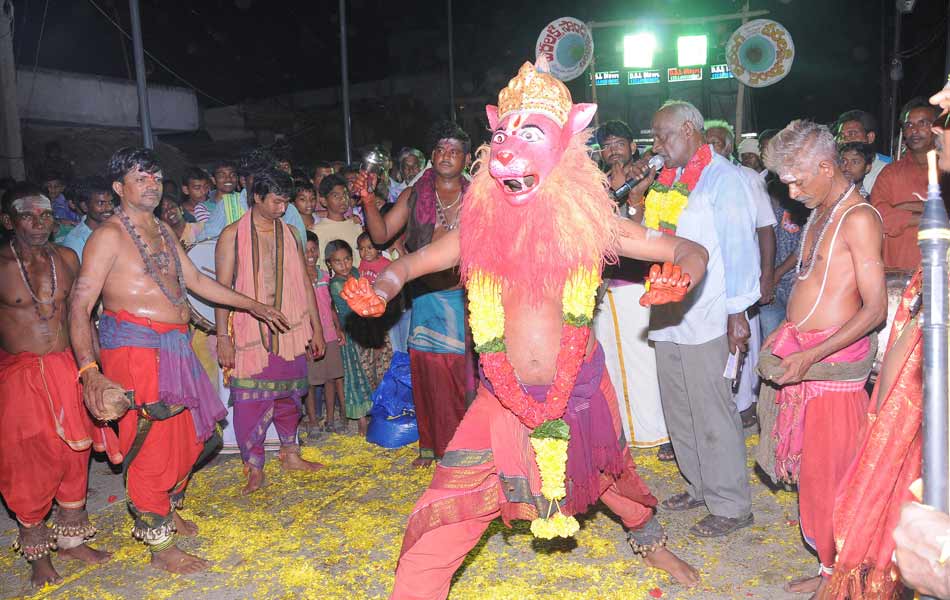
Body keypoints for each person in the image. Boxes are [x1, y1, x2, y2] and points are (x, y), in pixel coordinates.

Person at [344, 59, 707, 598]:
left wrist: (682, 274)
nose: (508, 152)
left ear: (565, 148)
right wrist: (381, 286)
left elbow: (685, 248)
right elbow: (410, 264)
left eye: (530, 135)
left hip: (578, 388)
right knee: (444, 507)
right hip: (500, 398)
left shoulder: (591, 225)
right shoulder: (479, 227)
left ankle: (652, 544)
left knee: (609, 476)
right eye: (501, 137)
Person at [69, 147, 290, 573]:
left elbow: (197, 282)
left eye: (156, 177)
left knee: (193, 436)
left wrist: (253, 305)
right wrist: (89, 372)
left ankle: (167, 507)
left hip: (176, 347)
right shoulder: (108, 236)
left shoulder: (165, 231)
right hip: (136, 351)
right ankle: (160, 547)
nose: (152, 185)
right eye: (141, 178)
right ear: (119, 188)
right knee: (152, 445)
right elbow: (80, 306)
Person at [761, 120, 886, 597]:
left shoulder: (858, 217)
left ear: (825, 166)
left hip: (832, 367)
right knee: (812, 478)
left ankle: (845, 579)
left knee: (835, 478)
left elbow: (875, 309)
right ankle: (828, 569)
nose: (791, 190)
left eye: (796, 179)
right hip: (805, 359)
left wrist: (812, 353)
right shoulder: (821, 209)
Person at [630, 101, 758, 538]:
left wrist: (737, 313)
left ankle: (731, 503)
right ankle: (698, 485)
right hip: (669, 313)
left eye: (664, 136)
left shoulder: (724, 179)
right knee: (679, 407)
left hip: (709, 312)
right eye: (655, 138)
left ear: (689, 129)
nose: (658, 146)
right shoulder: (667, 181)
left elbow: (741, 249)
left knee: (712, 408)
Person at [0, 184, 114, 587]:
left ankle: (72, 539)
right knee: (28, 460)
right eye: (27, 216)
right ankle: (37, 553)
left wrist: (97, 369)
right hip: (20, 374)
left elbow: (81, 316)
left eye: (45, 215)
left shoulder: (66, 257)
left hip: (68, 366)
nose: (38, 223)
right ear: (8, 220)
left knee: (74, 454)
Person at [359, 120, 476, 467]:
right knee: (427, 377)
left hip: (466, 299)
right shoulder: (414, 195)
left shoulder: (479, 198)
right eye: (440, 149)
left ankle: (466, 445)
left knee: (464, 377)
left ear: (466, 159)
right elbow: (380, 235)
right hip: (425, 299)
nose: (446, 156)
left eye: (454, 151)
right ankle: (432, 446)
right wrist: (367, 201)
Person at [214, 168, 326, 495]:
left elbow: (305, 282)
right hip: (250, 332)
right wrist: (223, 337)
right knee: (251, 400)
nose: (282, 208)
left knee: (290, 394)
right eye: (276, 201)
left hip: (291, 328)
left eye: (285, 201)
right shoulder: (231, 235)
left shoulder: (291, 232)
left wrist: (316, 328)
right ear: (257, 198)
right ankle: (254, 466)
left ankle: (291, 454)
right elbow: (221, 289)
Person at [591, 119, 670, 458]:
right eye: (607, 145)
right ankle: (621, 428)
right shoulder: (593, 184)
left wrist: (633, 194)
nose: (613, 150)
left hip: (639, 282)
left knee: (645, 360)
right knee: (607, 359)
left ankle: (659, 432)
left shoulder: (652, 180)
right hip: (602, 287)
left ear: (633, 146)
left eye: (619, 143)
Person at [705, 119, 776, 427]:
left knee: (743, 338)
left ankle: (745, 402)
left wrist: (766, 276)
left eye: (717, 143)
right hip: (710, 278)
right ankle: (722, 400)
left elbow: (765, 230)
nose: (711, 149)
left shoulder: (746, 176)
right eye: (705, 143)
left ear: (730, 146)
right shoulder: (698, 178)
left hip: (744, 273)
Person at [870, 98, 938, 270]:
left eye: (922, 123)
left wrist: (902, 209)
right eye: (908, 125)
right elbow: (878, 218)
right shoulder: (890, 173)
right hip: (898, 277)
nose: (914, 130)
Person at [198, 147, 306, 242]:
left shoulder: (288, 210)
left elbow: (299, 248)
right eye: (258, 179)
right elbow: (205, 244)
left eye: (268, 179)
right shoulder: (227, 206)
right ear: (244, 181)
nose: (264, 184)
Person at [326, 239, 375, 435]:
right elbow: (351, 305)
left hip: (366, 328)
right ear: (329, 264)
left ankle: (373, 412)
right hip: (350, 333)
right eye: (337, 262)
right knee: (355, 375)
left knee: (370, 372)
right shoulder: (336, 284)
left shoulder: (355, 272)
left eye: (347, 259)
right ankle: (361, 419)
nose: (344, 265)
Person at [304, 231, 344, 433]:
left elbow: (330, 306)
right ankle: (312, 421)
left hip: (328, 334)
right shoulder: (297, 279)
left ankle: (330, 419)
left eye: (314, 249)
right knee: (311, 382)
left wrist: (338, 329)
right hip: (309, 338)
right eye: (306, 250)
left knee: (330, 378)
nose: (310, 253)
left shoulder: (325, 276)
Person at [312, 174, 365, 267]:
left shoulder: (356, 226)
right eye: (336, 196)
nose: (343, 199)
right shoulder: (316, 231)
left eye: (345, 194)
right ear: (323, 201)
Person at [834, 109, 891, 193]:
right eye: (841, 136)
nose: (845, 140)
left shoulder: (889, 167)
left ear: (870, 137)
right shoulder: (834, 165)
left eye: (852, 134)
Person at [62, 176, 115, 262]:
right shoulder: (76, 240)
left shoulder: (118, 228)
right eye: (101, 203)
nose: (109, 208)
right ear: (85, 206)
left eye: (111, 202)